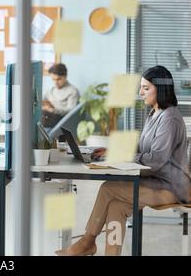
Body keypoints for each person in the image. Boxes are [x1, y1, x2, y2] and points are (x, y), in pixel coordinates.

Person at [57, 65, 190, 256]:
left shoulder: (169, 118)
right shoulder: (154, 113)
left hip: (170, 188)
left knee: (107, 188)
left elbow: (155, 161)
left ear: (160, 89)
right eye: (141, 87)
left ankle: (87, 241)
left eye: (146, 88)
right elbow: (144, 149)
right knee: (116, 208)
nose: (140, 92)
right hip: (155, 182)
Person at [42, 63, 79, 128]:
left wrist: (53, 110)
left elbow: (71, 112)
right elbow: (42, 102)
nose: (55, 82)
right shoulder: (50, 91)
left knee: (42, 115)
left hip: (61, 119)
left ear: (65, 76)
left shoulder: (73, 91)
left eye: (58, 79)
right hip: (48, 116)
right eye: (53, 79)